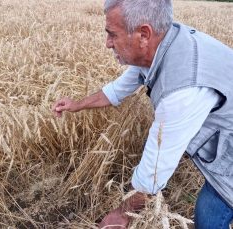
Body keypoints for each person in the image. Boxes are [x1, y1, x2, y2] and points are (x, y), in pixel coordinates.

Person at [52, 0, 233, 228]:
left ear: (143, 34)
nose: (108, 43)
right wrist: (77, 104)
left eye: (112, 34)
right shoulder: (161, 46)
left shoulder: (182, 88)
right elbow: (117, 90)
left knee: (211, 215)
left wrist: (123, 213)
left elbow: (156, 167)